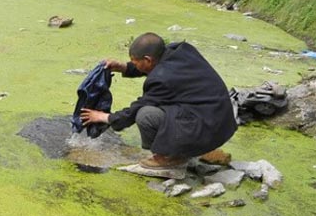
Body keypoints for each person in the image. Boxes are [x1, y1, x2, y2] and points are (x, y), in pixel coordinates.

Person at [80, 32, 237, 174]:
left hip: (207, 127)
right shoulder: (180, 50)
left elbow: (134, 111)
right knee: (162, 108)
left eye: (134, 63)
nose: (134, 65)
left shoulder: (160, 80)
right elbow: (156, 66)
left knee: (145, 115)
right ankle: (191, 148)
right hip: (220, 121)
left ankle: (169, 159)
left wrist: (104, 117)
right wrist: (125, 68)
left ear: (148, 60)